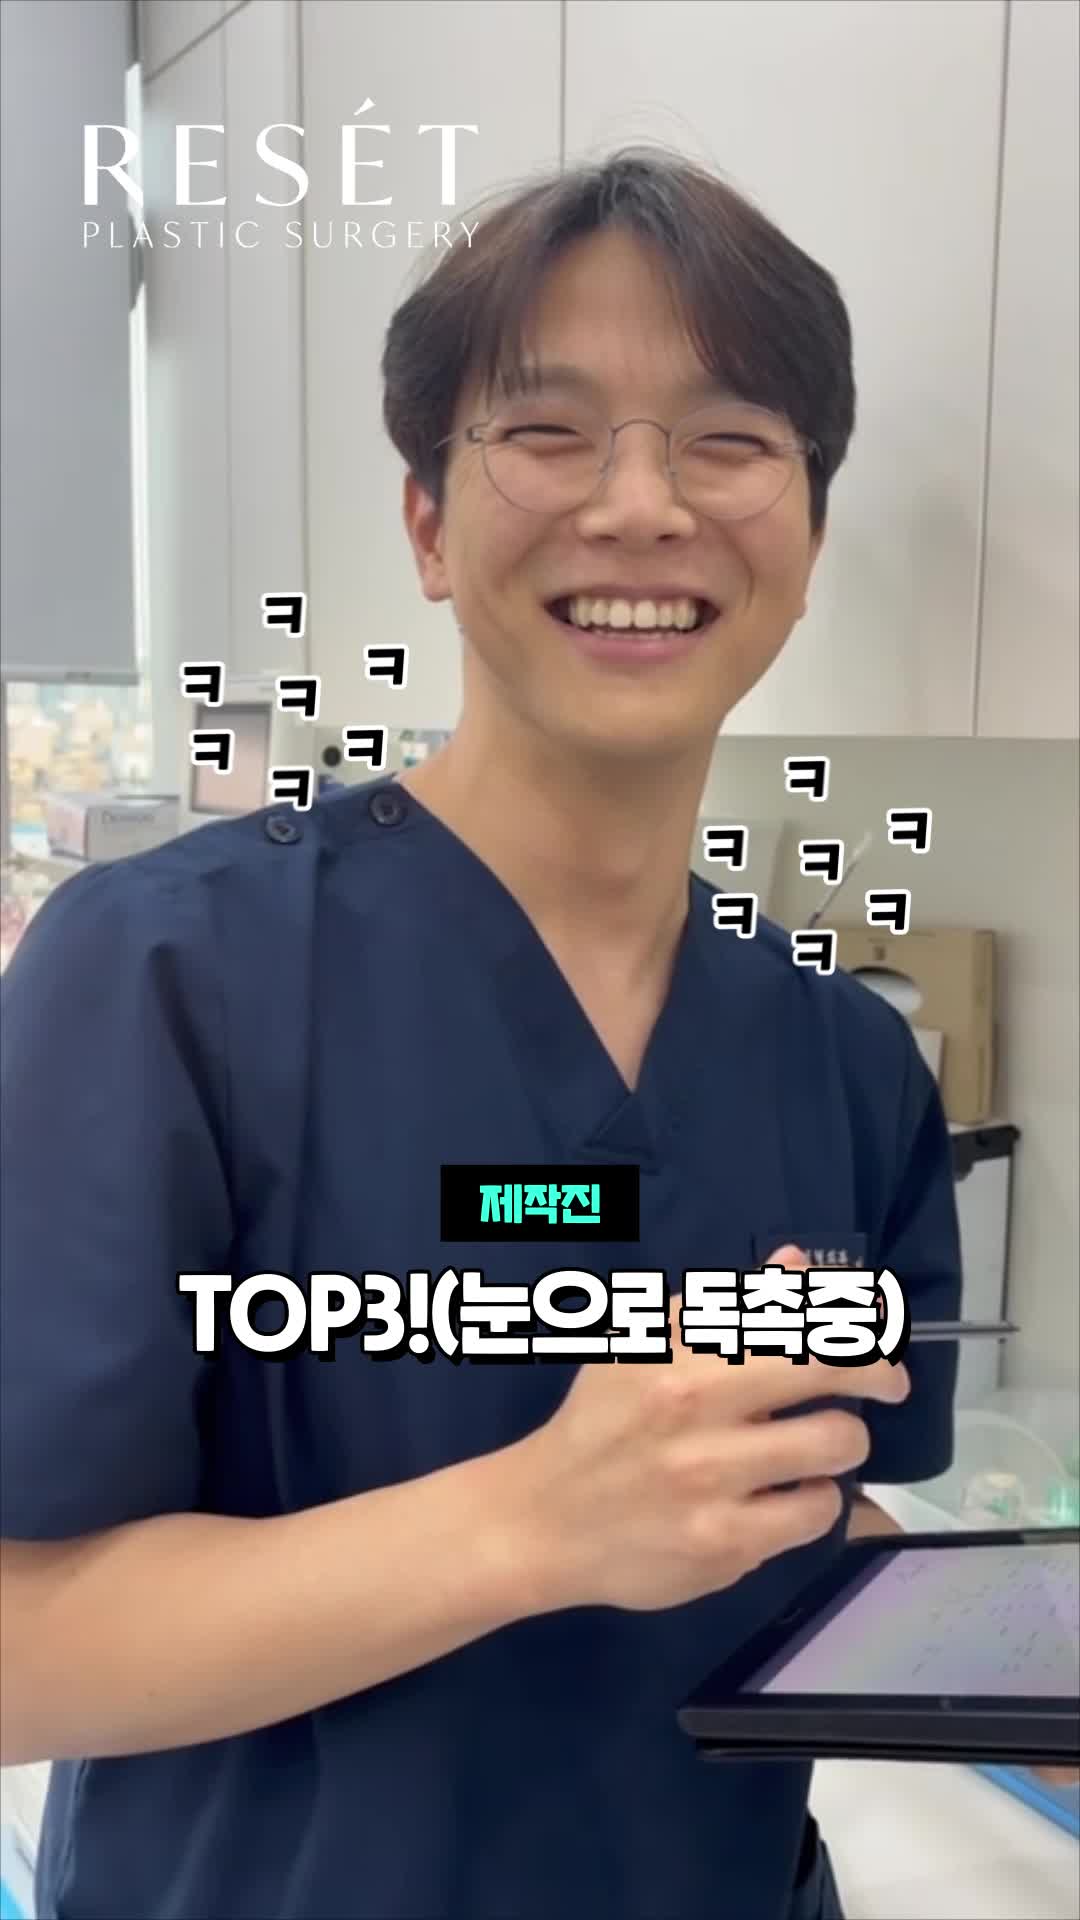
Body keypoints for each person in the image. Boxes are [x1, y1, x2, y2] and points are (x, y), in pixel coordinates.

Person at [0, 147, 967, 1920]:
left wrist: (1008, 1661)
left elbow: (801, 1529)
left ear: (810, 541)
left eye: (730, 439)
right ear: (431, 526)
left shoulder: (848, 1065)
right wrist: (532, 1525)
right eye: (548, 431)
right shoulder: (160, 980)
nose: (643, 506)